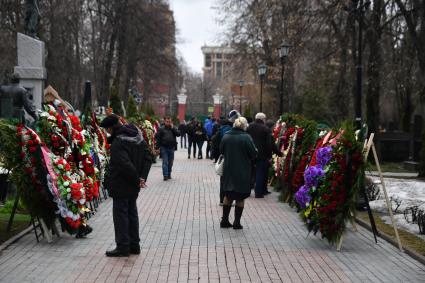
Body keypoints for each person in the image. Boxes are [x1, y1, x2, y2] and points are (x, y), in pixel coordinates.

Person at [100, 114, 152, 257]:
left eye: (107, 129)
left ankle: (123, 246)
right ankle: (134, 245)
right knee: (132, 213)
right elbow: (148, 157)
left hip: (121, 183)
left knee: (121, 215)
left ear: (111, 128)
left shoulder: (118, 142)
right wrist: (142, 177)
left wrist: (137, 179)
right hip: (134, 184)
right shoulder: (137, 135)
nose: (107, 132)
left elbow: (124, 164)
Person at [220, 117, 257, 229]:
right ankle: (237, 222)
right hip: (242, 170)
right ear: (244, 126)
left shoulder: (226, 135)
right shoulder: (246, 137)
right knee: (240, 196)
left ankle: (224, 220)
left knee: (228, 195)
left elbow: (221, 150)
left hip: (228, 170)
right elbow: (253, 154)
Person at [247, 113, 276, 198]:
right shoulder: (265, 129)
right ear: (263, 119)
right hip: (261, 155)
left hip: (250, 153)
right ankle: (258, 193)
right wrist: (269, 156)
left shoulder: (249, 127)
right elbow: (268, 144)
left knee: (250, 173)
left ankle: (247, 191)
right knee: (260, 173)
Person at [217, 110, 240, 205]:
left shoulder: (222, 128)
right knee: (231, 180)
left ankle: (222, 199)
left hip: (224, 157)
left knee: (223, 179)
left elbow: (220, 145)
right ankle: (228, 199)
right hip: (231, 158)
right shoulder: (230, 130)